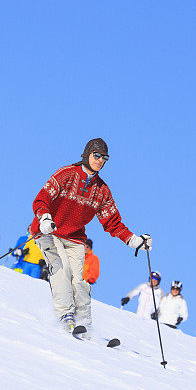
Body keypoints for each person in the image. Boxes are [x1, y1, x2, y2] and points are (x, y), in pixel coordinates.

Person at [30, 138, 151, 331]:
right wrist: (44, 218)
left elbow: (112, 222)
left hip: (75, 238)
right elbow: (42, 198)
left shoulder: (102, 190)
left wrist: (133, 240)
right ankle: (66, 316)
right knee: (61, 270)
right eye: (97, 155)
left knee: (78, 281)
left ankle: (84, 323)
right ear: (87, 154)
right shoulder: (66, 174)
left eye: (104, 158)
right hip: (49, 231)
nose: (100, 160)